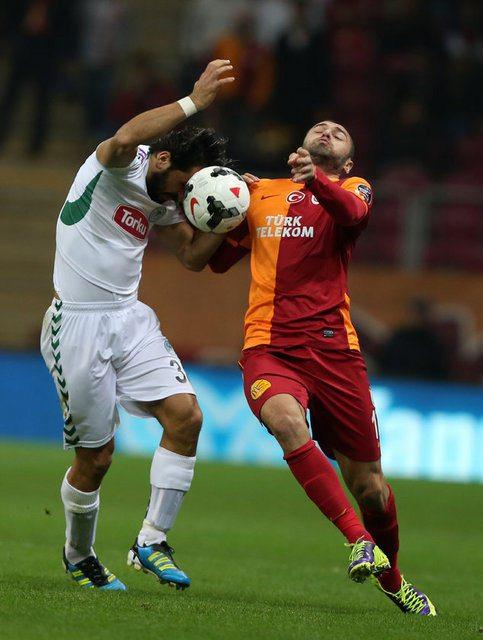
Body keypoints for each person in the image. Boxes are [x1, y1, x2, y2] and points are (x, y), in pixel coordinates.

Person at [208, 121, 436, 615]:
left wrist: (315, 181)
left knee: (370, 488)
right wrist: (223, 199)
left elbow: (352, 213)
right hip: (269, 346)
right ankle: (358, 540)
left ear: (348, 161)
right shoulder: (263, 193)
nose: (328, 130)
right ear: (302, 144)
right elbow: (217, 261)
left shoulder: (356, 189)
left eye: (339, 131)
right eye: (320, 127)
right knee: (286, 422)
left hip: (335, 353)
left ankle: (393, 578)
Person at [40, 59, 236, 591]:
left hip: (130, 319)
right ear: (164, 159)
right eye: (182, 185)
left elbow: (192, 257)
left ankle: (151, 541)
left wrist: (227, 217)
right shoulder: (116, 165)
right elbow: (126, 136)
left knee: (186, 418)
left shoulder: (164, 200)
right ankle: (79, 555)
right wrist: (194, 101)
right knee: (96, 458)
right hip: (76, 325)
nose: (181, 199)